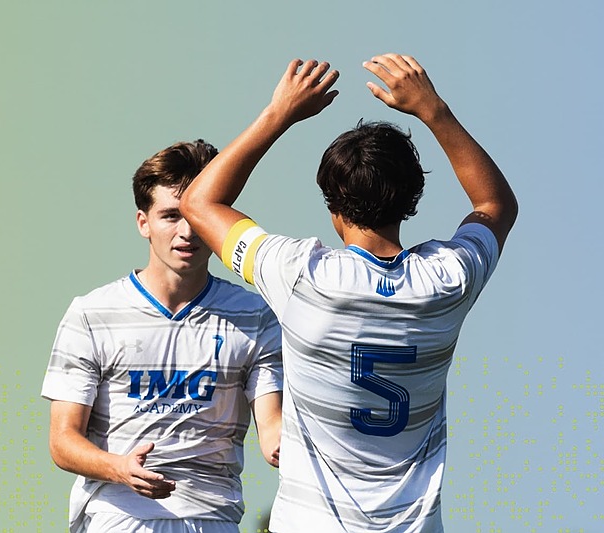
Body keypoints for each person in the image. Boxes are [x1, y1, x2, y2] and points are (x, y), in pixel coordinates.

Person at [179, 53, 518, 532]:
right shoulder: (449, 279)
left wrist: (281, 113)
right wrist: (433, 110)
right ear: (414, 195)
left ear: (332, 205)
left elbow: (199, 201)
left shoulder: (300, 276)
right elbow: (494, 203)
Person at [41, 139, 283, 533]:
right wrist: (119, 468)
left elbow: (272, 426)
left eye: (195, 215)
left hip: (213, 518)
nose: (186, 231)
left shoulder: (255, 315)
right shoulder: (91, 313)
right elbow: (62, 440)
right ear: (143, 222)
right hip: (117, 516)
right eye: (171, 216)